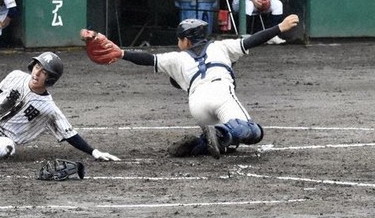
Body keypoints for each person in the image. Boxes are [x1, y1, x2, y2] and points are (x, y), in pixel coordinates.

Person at [92, 15, 300, 159]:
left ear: (186, 40)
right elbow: (253, 40)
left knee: (230, 139)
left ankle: (200, 143)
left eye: (179, 39)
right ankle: (217, 135)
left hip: (197, 105)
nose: (178, 42)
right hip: (220, 94)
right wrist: (279, 28)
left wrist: (122, 54)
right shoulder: (221, 46)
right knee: (252, 131)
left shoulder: (176, 58)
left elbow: (147, 58)